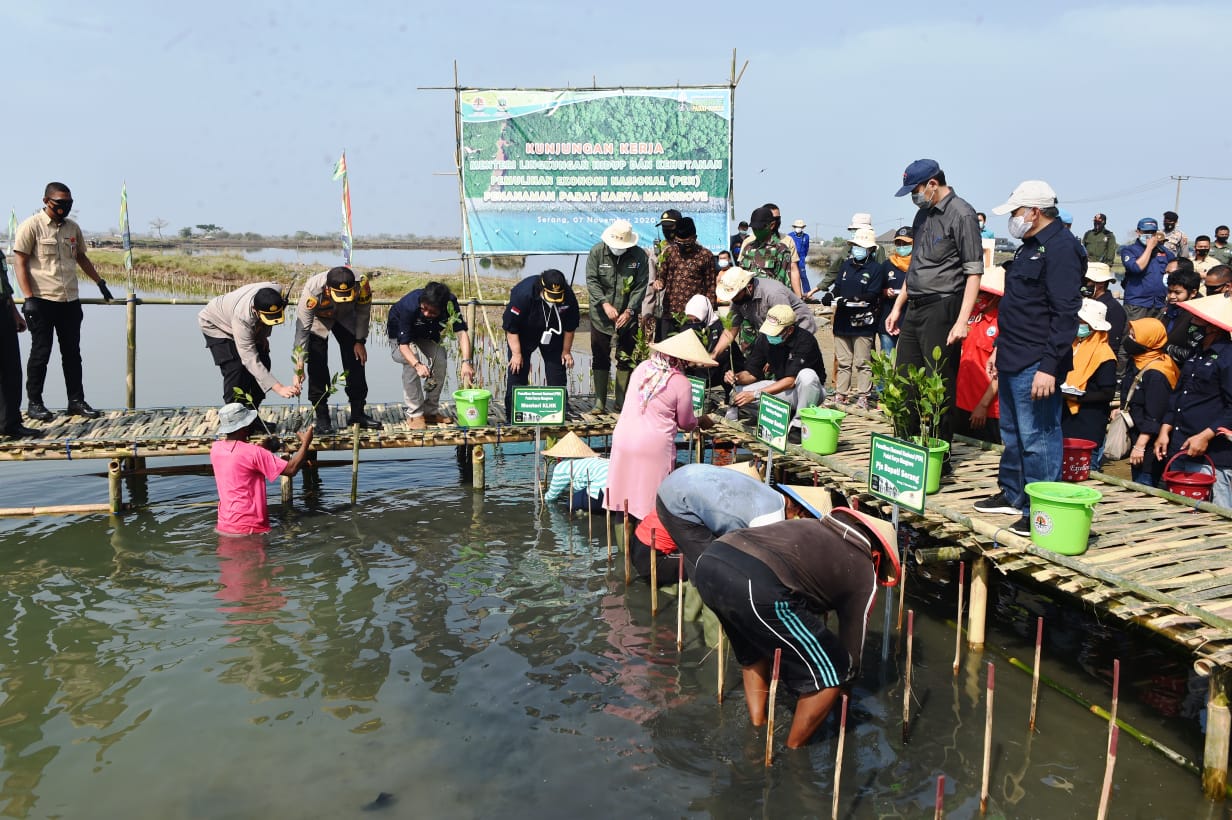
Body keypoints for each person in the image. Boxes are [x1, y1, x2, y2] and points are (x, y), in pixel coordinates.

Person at [688, 505, 900, 748]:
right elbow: (852, 656)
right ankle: (793, 751)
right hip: (756, 585)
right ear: (877, 557)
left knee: (754, 651)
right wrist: (843, 694)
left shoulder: (810, 525)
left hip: (710, 562)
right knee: (835, 671)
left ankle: (757, 729)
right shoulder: (864, 571)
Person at [976, 181, 1082, 536]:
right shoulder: (1027, 248)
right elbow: (1018, 306)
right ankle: (1012, 493)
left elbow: (1065, 313)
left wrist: (1049, 367)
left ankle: (1040, 508)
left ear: (1034, 212)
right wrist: (999, 347)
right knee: (1012, 432)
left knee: (1039, 436)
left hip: (1038, 360)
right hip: (1012, 352)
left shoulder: (1062, 249)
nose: (1015, 219)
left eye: (1017, 213)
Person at [885, 159, 984, 467]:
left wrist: (962, 321)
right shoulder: (922, 214)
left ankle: (938, 455)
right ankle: (907, 447)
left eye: (915, 190)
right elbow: (915, 266)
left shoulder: (962, 214)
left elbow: (973, 272)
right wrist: (898, 306)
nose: (915, 196)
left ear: (932, 183)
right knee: (905, 379)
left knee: (938, 382)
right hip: (914, 304)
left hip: (944, 305)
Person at [12, 182, 113, 421]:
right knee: (40, 353)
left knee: (72, 353)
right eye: (60, 203)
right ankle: (35, 403)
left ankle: (76, 401)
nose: (64, 208)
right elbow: (20, 263)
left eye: (68, 203)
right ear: (46, 201)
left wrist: (100, 283)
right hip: (42, 300)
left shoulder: (72, 228)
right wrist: (28, 299)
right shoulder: (31, 226)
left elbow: (81, 257)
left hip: (69, 300)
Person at [605, 330, 716, 526]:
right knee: (649, 506)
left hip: (624, 439)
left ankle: (623, 554)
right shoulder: (681, 383)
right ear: (682, 360)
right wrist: (702, 420)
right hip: (653, 448)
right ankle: (644, 553)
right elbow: (686, 422)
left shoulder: (642, 368)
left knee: (622, 503)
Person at [1154, 294, 1232, 508]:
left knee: (1217, 513)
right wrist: (1165, 430)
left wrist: (1206, 435)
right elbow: (1178, 395)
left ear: (1213, 327)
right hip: (1181, 443)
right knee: (1179, 508)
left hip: (1212, 453)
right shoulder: (1196, 353)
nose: (1191, 325)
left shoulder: (1227, 358)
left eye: (1196, 322)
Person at [648, 463, 787, 581]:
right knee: (711, 565)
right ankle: (704, 607)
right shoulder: (769, 521)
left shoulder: (774, 496)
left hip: (680, 479)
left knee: (701, 557)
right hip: (677, 502)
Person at [292, 266, 380, 434]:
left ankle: (358, 413)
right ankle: (323, 418)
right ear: (327, 288)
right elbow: (302, 330)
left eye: (346, 295)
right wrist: (299, 362)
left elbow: (363, 313)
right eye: (338, 295)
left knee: (356, 361)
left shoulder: (362, 284)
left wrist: (360, 341)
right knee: (317, 365)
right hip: (320, 319)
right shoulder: (313, 290)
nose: (342, 298)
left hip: (347, 318)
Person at [210, 403, 314, 535]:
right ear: (245, 427)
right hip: (251, 529)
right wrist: (306, 443)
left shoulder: (216, 449)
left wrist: (263, 449)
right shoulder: (254, 453)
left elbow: (241, 458)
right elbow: (291, 469)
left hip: (224, 526)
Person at [199, 282, 301, 409]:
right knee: (236, 370)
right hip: (217, 325)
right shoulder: (242, 316)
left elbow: (267, 318)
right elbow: (249, 359)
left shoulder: (276, 293)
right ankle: (234, 420)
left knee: (263, 360)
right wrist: (279, 388)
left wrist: (262, 335)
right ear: (255, 310)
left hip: (245, 325)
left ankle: (252, 415)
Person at [386, 281, 474, 429]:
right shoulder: (410, 305)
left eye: (432, 312)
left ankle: (430, 411)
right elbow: (403, 346)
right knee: (411, 361)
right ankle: (415, 414)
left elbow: (461, 332)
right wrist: (418, 365)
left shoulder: (450, 303)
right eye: (424, 309)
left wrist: (466, 362)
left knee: (440, 359)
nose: (426, 314)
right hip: (401, 337)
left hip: (427, 333)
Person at [586, 219, 650, 412]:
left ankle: (621, 400)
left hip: (627, 318)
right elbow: (592, 280)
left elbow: (641, 286)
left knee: (626, 356)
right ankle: (599, 402)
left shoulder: (639, 256)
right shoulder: (597, 252)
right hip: (600, 316)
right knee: (600, 356)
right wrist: (604, 303)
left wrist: (630, 310)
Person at [724, 304, 824, 422]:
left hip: (808, 392)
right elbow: (752, 373)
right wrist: (736, 377)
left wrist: (755, 394)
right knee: (737, 393)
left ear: (790, 330)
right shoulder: (764, 338)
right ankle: (781, 416)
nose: (770, 336)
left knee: (808, 376)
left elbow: (791, 381)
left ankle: (799, 423)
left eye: (775, 333)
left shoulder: (805, 341)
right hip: (781, 388)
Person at [503, 270, 579, 420]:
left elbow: (570, 327)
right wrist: (517, 354)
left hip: (553, 332)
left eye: (558, 297)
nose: (555, 299)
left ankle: (561, 409)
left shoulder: (568, 295)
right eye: (552, 296)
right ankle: (512, 411)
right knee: (517, 369)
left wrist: (566, 351)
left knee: (557, 369)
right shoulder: (524, 295)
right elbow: (511, 327)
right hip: (524, 332)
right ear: (541, 288)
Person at [823, 227, 885, 409]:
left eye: (861, 246)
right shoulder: (846, 265)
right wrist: (830, 295)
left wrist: (853, 299)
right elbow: (838, 287)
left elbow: (873, 294)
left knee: (862, 361)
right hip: (842, 320)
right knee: (843, 361)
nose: (857, 249)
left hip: (862, 321)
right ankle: (841, 394)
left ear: (870, 250)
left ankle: (863, 395)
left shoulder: (875, 269)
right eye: (855, 246)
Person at [710, 267, 817, 364]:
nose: (732, 299)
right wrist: (714, 354)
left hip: (796, 327)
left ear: (749, 287)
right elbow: (730, 330)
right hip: (773, 332)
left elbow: (784, 327)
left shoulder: (773, 294)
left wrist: (771, 358)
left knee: (791, 367)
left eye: (735, 295)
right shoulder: (738, 299)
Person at [1119, 318, 1179, 486]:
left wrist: (1140, 445)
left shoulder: (1157, 373)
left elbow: (1155, 414)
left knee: (1144, 485)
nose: (1129, 339)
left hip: (1150, 445)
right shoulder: (1139, 359)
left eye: (1134, 336)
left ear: (1149, 340)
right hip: (1137, 432)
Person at [1061, 299, 1118, 462]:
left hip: (1088, 422)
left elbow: (1107, 393)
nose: (1079, 325)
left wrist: (1077, 397)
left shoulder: (1104, 355)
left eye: (1082, 322)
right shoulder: (1072, 345)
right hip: (1065, 418)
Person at [955, 266, 1002, 444]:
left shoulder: (1002, 325)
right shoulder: (972, 317)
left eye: (984, 292)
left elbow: (1001, 372)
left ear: (995, 297)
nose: (979, 295)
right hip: (960, 401)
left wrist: (983, 406)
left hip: (986, 409)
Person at [654, 216, 716, 340]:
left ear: (695, 238)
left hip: (693, 317)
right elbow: (661, 277)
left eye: (686, 243)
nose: (682, 246)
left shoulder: (705, 255)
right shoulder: (669, 253)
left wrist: (709, 317)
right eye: (679, 242)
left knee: (691, 354)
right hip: (670, 314)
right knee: (668, 352)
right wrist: (658, 283)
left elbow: (711, 286)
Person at [0, 251, 36, 439]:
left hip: (3, 311)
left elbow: (4, 286)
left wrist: (14, 313)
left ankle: (10, 423)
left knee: (11, 370)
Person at [1119, 218, 1173, 322]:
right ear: (1138, 232)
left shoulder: (1164, 251)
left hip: (1159, 304)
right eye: (1146, 232)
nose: (1149, 235)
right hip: (1137, 304)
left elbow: (1176, 266)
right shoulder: (1129, 250)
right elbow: (1136, 268)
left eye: (1152, 232)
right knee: (1133, 336)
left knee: (1154, 336)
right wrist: (1149, 248)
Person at [543, 432, 608, 514]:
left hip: (603, 492)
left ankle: (586, 512)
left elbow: (551, 496)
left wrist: (545, 502)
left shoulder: (563, 467)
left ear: (558, 456)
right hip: (622, 491)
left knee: (570, 503)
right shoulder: (593, 460)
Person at [740, 207, 799, 296]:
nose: (756, 231)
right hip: (748, 302)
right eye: (754, 228)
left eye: (760, 228)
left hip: (770, 301)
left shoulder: (781, 250)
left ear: (771, 225)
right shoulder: (748, 248)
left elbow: (783, 284)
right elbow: (740, 277)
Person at [1082, 262, 1127, 360]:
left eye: (1087, 280)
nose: (1083, 284)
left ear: (1101, 283)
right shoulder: (1084, 302)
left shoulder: (1113, 309)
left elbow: (1112, 346)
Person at [879, 227, 912, 354]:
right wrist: (885, 292)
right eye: (899, 243)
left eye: (906, 243)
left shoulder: (920, 265)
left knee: (909, 362)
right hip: (888, 318)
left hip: (910, 321)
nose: (902, 246)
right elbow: (876, 289)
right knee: (886, 359)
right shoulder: (887, 265)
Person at [1163, 260, 1203, 366]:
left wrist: (1162, 347)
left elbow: (1192, 354)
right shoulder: (1170, 308)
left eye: (1177, 293)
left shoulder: (1198, 318)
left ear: (1193, 293)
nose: (1171, 296)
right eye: (1169, 291)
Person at [789, 220, 811, 293]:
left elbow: (806, 248)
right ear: (794, 227)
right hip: (791, 259)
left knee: (803, 276)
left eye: (800, 227)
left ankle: (807, 293)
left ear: (803, 227)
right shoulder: (789, 236)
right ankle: (792, 293)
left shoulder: (806, 237)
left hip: (801, 260)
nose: (799, 228)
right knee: (791, 277)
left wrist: (803, 257)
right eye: (797, 227)